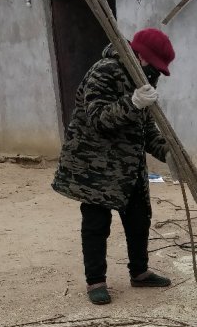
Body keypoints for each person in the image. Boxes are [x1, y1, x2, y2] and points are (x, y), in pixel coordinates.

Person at [52, 28, 177, 305]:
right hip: (95, 165)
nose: (154, 71)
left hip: (129, 165)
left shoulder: (144, 76)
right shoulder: (104, 71)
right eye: (152, 64)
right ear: (139, 54)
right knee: (96, 223)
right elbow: (98, 118)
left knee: (139, 218)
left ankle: (140, 273)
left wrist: (168, 152)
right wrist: (132, 103)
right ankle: (96, 281)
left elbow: (146, 129)